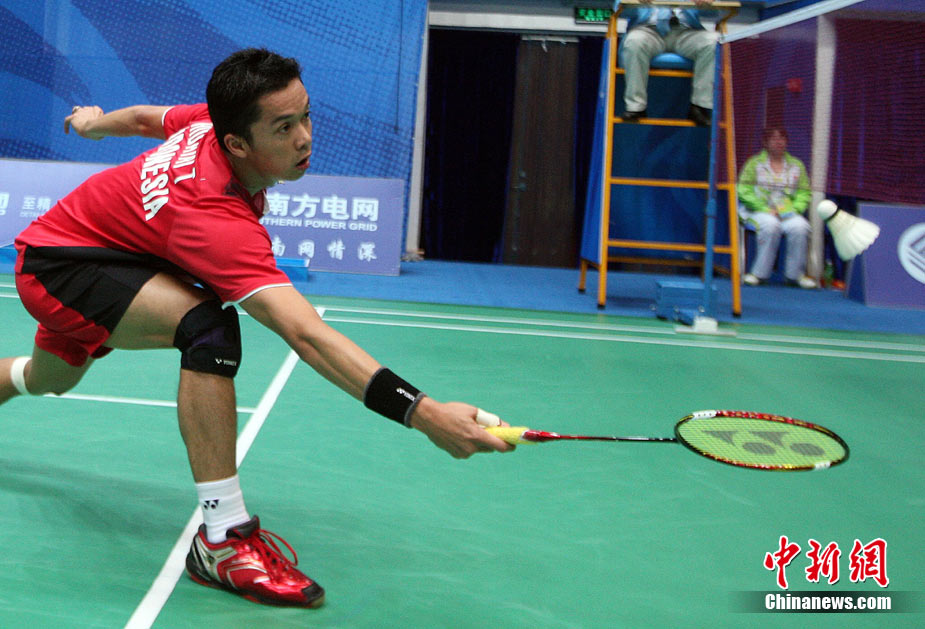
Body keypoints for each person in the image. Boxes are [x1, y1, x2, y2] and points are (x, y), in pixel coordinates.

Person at [0, 48, 514, 609]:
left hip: (115, 254)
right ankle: (222, 540)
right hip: (61, 267)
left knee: (48, 379)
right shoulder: (217, 218)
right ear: (238, 143)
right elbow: (307, 336)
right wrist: (425, 413)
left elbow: (146, 119)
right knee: (207, 330)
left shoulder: (211, 120)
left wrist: (94, 124)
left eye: (306, 117)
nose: (305, 138)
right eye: (284, 128)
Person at [737, 127, 817, 289]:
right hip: (757, 211)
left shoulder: (796, 165)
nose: (778, 142)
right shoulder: (754, 164)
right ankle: (759, 274)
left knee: (800, 226)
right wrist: (765, 209)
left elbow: (804, 193)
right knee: (771, 225)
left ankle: (794, 276)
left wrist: (794, 210)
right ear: (765, 142)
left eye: (782, 138)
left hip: (787, 212)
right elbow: (743, 191)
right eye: (774, 139)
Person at [619, 0, 718, 126]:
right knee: (634, 41)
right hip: (648, 30)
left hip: (686, 31)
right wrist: (635, 1)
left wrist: (707, 2)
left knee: (712, 42)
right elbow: (620, 9)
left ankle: (700, 107)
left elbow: (714, 13)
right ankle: (635, 107)